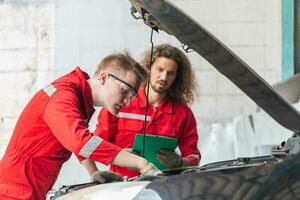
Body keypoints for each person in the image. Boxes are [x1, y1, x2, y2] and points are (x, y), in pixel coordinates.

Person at [0, 52, 162, 200]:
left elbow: (73, 139)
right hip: (15, 190)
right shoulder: (63, 96)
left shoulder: (80, 97)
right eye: (124, 91)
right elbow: (80, 141)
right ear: (104, 78)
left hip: (31, 188)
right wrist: (141, 164)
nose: (127, 101)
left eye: (132, 97)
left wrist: (93, 171)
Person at [84, 44, 201, 179]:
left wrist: (180, 162)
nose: (163, 77)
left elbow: (194, 156)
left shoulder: (183, 114)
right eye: (160, 69)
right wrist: (120, 156)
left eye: (170, 73)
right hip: (121, 185)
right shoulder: (121, 102)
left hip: (162, 186)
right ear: (149, 68)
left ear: (177, 77)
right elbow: (92, 145)